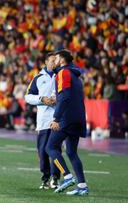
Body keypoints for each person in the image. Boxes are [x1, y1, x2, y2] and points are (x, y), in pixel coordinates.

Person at [45, 50, 88, 195]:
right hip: (78, 117)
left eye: (56, 58)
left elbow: (65, 97)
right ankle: (82, 186)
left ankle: (67, 176)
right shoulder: (76, 75)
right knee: (71, 152)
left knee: (50, 147)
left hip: (66, 118)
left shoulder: (63, 73)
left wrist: (56, 118)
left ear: (62, 60)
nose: (54, 60)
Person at [25, 52, 60, 189]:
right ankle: (45, 177)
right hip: (43, 121)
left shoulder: (61, 76)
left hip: (57, 119)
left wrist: (58, 99)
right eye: (52, 61)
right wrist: (41, 99)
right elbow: (28, 97)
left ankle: (55, 178)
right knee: (43, 150)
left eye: (56, 61)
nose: (54, 63)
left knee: (55, 149)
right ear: (46, 62)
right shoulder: (38, 78)